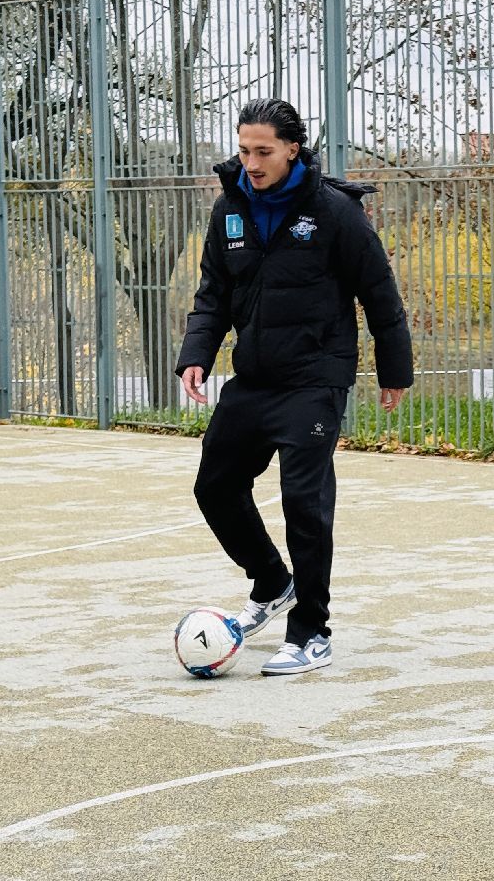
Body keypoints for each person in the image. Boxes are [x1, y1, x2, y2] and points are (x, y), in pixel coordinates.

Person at [175, 98, 412, 676]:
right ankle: (272, 580)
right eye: (244, 150)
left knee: (305, 504)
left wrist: (394, 371)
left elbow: (379, 294)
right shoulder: (229, 209)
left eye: (263, 151)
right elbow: (213, 294)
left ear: (292, 149)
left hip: (315, 378)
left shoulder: (334, 212)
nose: (251, 162)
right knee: (215, 487)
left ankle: (310, 633)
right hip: (254, 378)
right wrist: (196, 356)